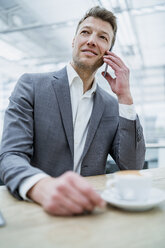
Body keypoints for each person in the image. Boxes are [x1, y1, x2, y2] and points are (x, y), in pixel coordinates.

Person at [0, 6, 145, 216]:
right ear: (73, 41)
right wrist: (41, 186)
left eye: (102, 37)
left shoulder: (113, 106)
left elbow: (132, 166)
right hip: (38, 208)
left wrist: (125, 98)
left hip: (90, 210)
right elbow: (11, 155)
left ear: (108, 53)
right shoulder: (31, 85)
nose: (92, 40)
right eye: (85, 32)